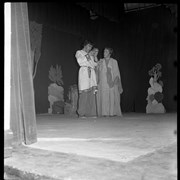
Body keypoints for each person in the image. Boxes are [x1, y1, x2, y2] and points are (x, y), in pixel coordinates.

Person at [97, 47, 123, 116]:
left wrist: (115, 82)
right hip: (103, 82)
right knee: (104, 97)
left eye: (106, 51)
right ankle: (104, 113)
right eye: (104, 51)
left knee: (112, 97)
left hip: (111, 82)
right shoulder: (101, 61)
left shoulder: (114, 61)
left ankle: (112, 112)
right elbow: (98, 71)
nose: (104, 53)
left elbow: (117, 73)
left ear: (110, 53)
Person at [75, 40, 98, 118]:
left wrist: (94, 56)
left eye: (91, 47)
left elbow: (94, 64)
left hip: (91, 73)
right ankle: (81, 113)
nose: (90, 48)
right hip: (84, 72)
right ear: (85, 45)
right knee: (84, 93)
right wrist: (88, 55)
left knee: (91, 93)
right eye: (89, 46)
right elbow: (80, 61)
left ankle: (91, 113)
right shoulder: (79, 52)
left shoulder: (90, 54)